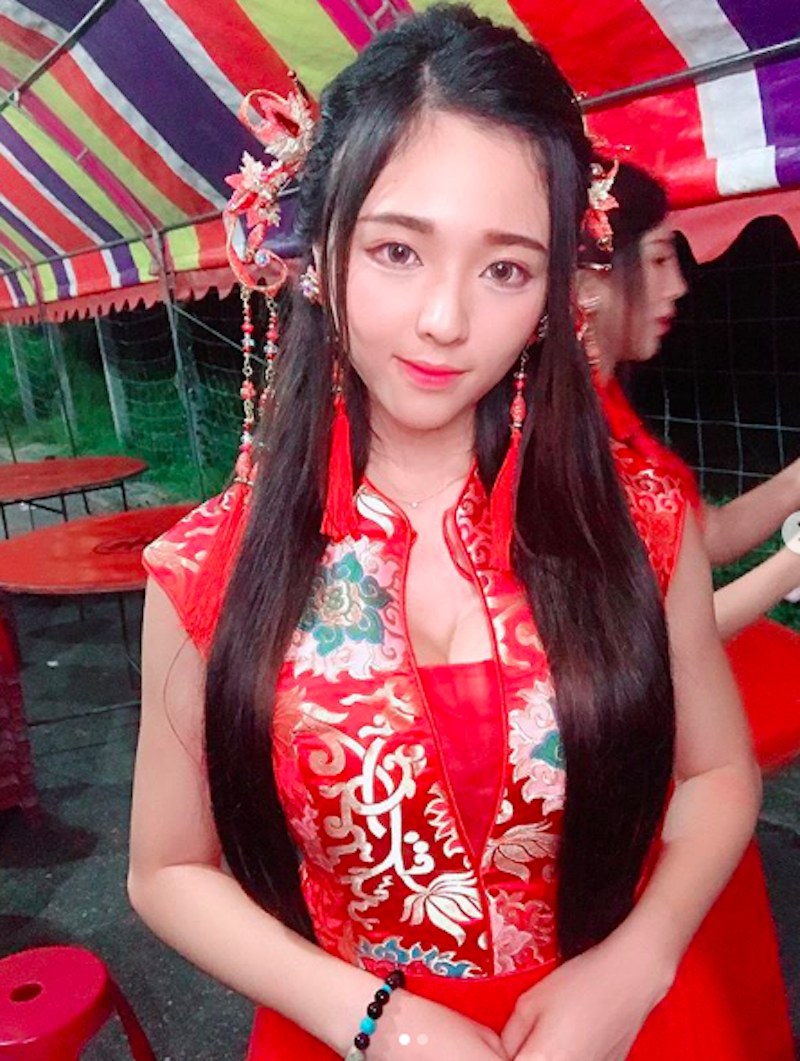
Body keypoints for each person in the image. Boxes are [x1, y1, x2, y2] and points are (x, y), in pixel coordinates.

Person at [129, 7, 771, 1060]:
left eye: (504, 268)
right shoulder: (207, 565)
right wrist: (371, 1018)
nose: (444, 319)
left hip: (619, 1022)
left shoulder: (639, 518)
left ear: (554, 289)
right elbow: (164, 869)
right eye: (397, 250)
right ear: (317, 252)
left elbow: (716, 773)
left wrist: (638, 959)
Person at [576, 159, 800, 641]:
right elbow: (652, 638)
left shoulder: (605, 409)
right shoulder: (554, 438)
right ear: (587, 284)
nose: (678, 285)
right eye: (658, 260)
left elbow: (706, 536)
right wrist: (793, 562)